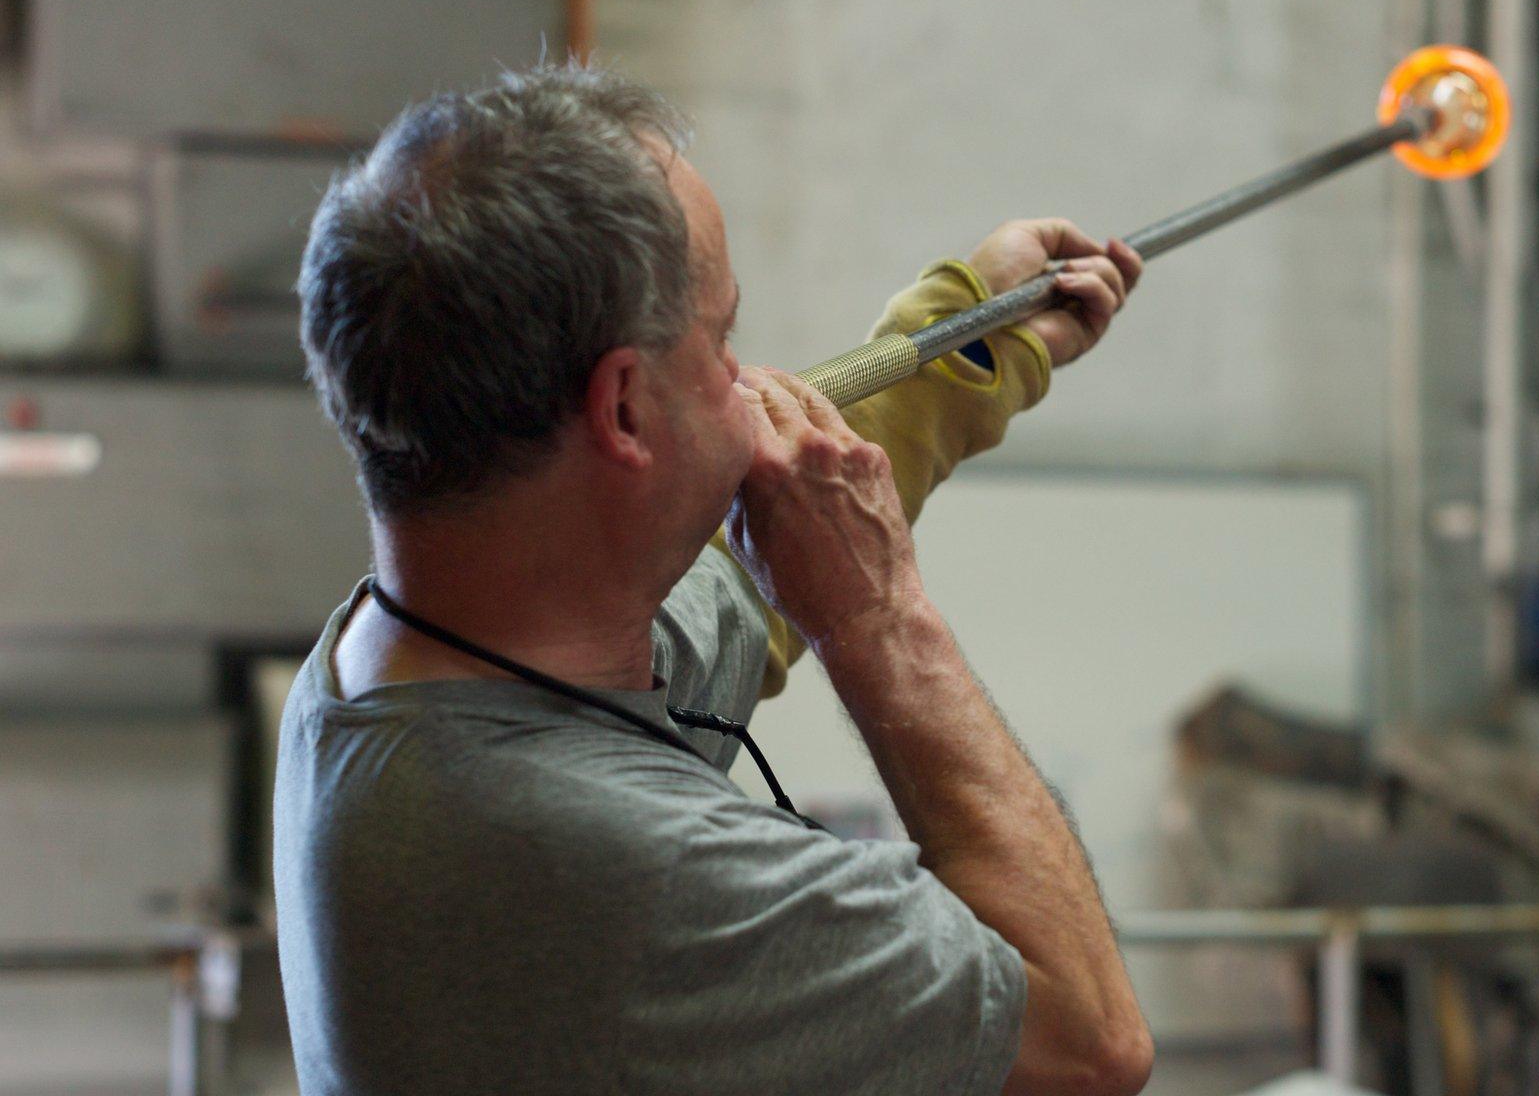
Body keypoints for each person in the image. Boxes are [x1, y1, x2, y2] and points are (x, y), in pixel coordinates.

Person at [274, 60, 1152, 1096]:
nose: (749, 387)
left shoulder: (409, 656)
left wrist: (967, 341)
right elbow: (1089, 1041)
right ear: (625, 409)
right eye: (722, 342)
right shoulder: (622, 866)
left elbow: (736, 572)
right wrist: (877, 618)